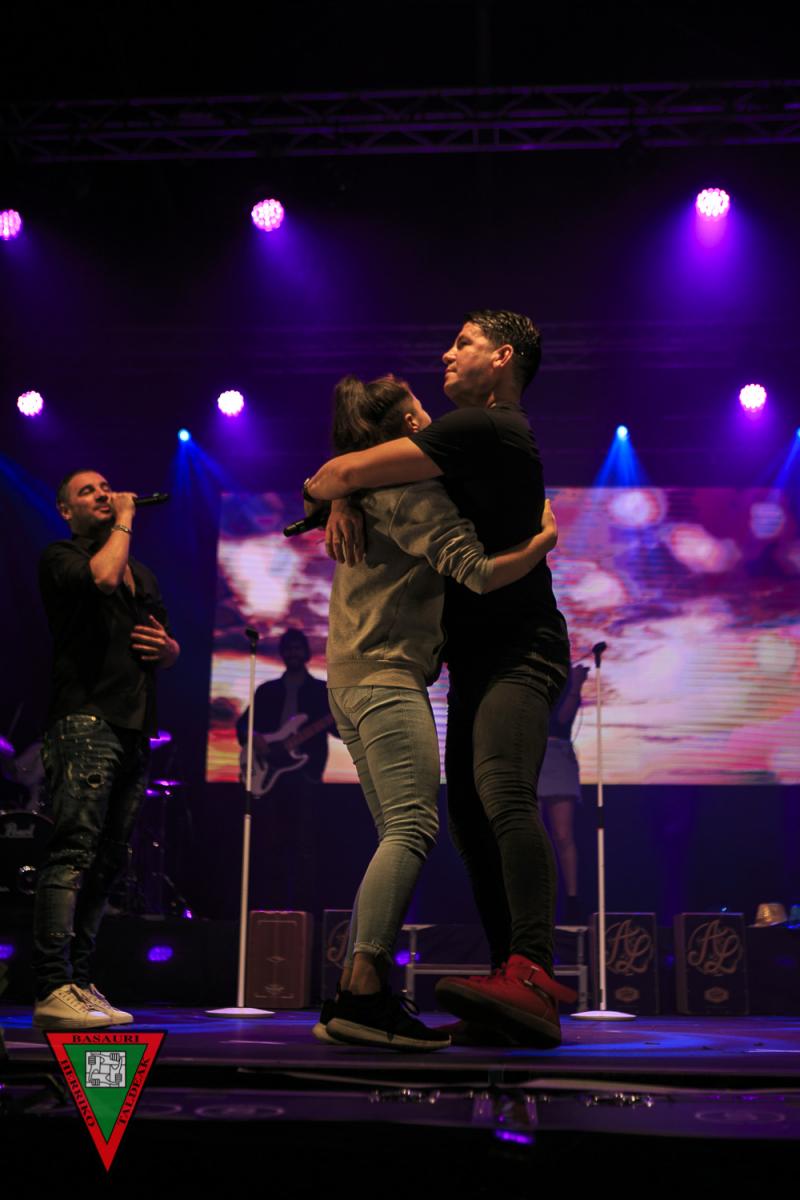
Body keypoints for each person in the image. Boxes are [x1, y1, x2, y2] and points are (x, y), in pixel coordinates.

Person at [305, 310, 576, 1048]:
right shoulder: (445, 453)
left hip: (521, 648)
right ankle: (507, 984)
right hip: (472, 659)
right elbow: (338, 480)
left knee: (499, 793)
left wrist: (341, 487)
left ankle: (530, 971)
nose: (446, 354)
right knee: (464, 818)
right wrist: (342, 495)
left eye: (463, 343)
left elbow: (334, 472)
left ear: (504, 357)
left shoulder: (484, 425)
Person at [33, 471, 179, 1029]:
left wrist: (169, 650)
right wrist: (125, 517)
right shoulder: (62, 556)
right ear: (65, 510)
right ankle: (51, 983)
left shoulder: (142, 573)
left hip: (134, 727)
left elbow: (165, 643)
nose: (102, 493)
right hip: (85, 720)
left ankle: (78, 980)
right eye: (87, 491)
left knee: (109, 860)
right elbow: (101, 578)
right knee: (73, 850)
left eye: (105, 487)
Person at [235, 628, 335, 914]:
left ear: (306, 653)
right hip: (270, 778)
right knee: (271, 844)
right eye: (288, 648)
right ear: (282, 653)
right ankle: (270, 909)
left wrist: (347, 716)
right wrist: (254, 737)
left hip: (306, 775)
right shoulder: (267, 690)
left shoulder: (321, 691)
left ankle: (305, 914)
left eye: (297, 648)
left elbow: (338, 731)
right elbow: (243, 725)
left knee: (305, 846)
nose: (293, 653)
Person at [538, 663, 590, 925]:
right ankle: (532, 898)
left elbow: (562, 720)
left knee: (562, 835)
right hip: (532, 753)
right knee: (532, 834)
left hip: (558, 755)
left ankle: (571, 900)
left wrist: (576, 684)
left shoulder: (567, 677)